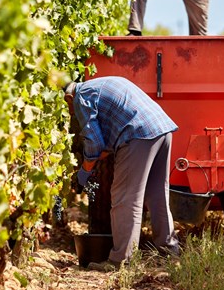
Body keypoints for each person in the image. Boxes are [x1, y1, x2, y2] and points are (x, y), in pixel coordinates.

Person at [64, 76, 181, 271]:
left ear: (68, 98)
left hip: (138, 134)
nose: (71, 114)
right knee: (157, 195)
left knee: (125, 198)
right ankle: (170, 253)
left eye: (68, 110)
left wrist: (83, 175)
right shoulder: (99, 84)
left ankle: (121, 261)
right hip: (162, 128)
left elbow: (94, 143)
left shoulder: (80, 97)